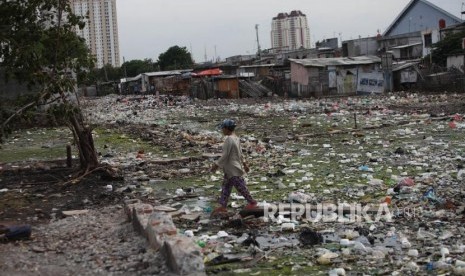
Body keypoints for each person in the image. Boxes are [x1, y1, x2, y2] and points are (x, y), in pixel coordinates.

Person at [211, 119, 257, 215]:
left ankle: (252, 202)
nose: (222, 130)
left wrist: (216, 165)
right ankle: (223, 206)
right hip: (233, 167)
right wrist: (244, 164)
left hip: (232, 169)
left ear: (227, 129)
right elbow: (240, 153)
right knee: (226, 187)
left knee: (241, 187)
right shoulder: (236, 138)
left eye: (223, 128)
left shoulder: (229, 139)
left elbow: (225, 155)